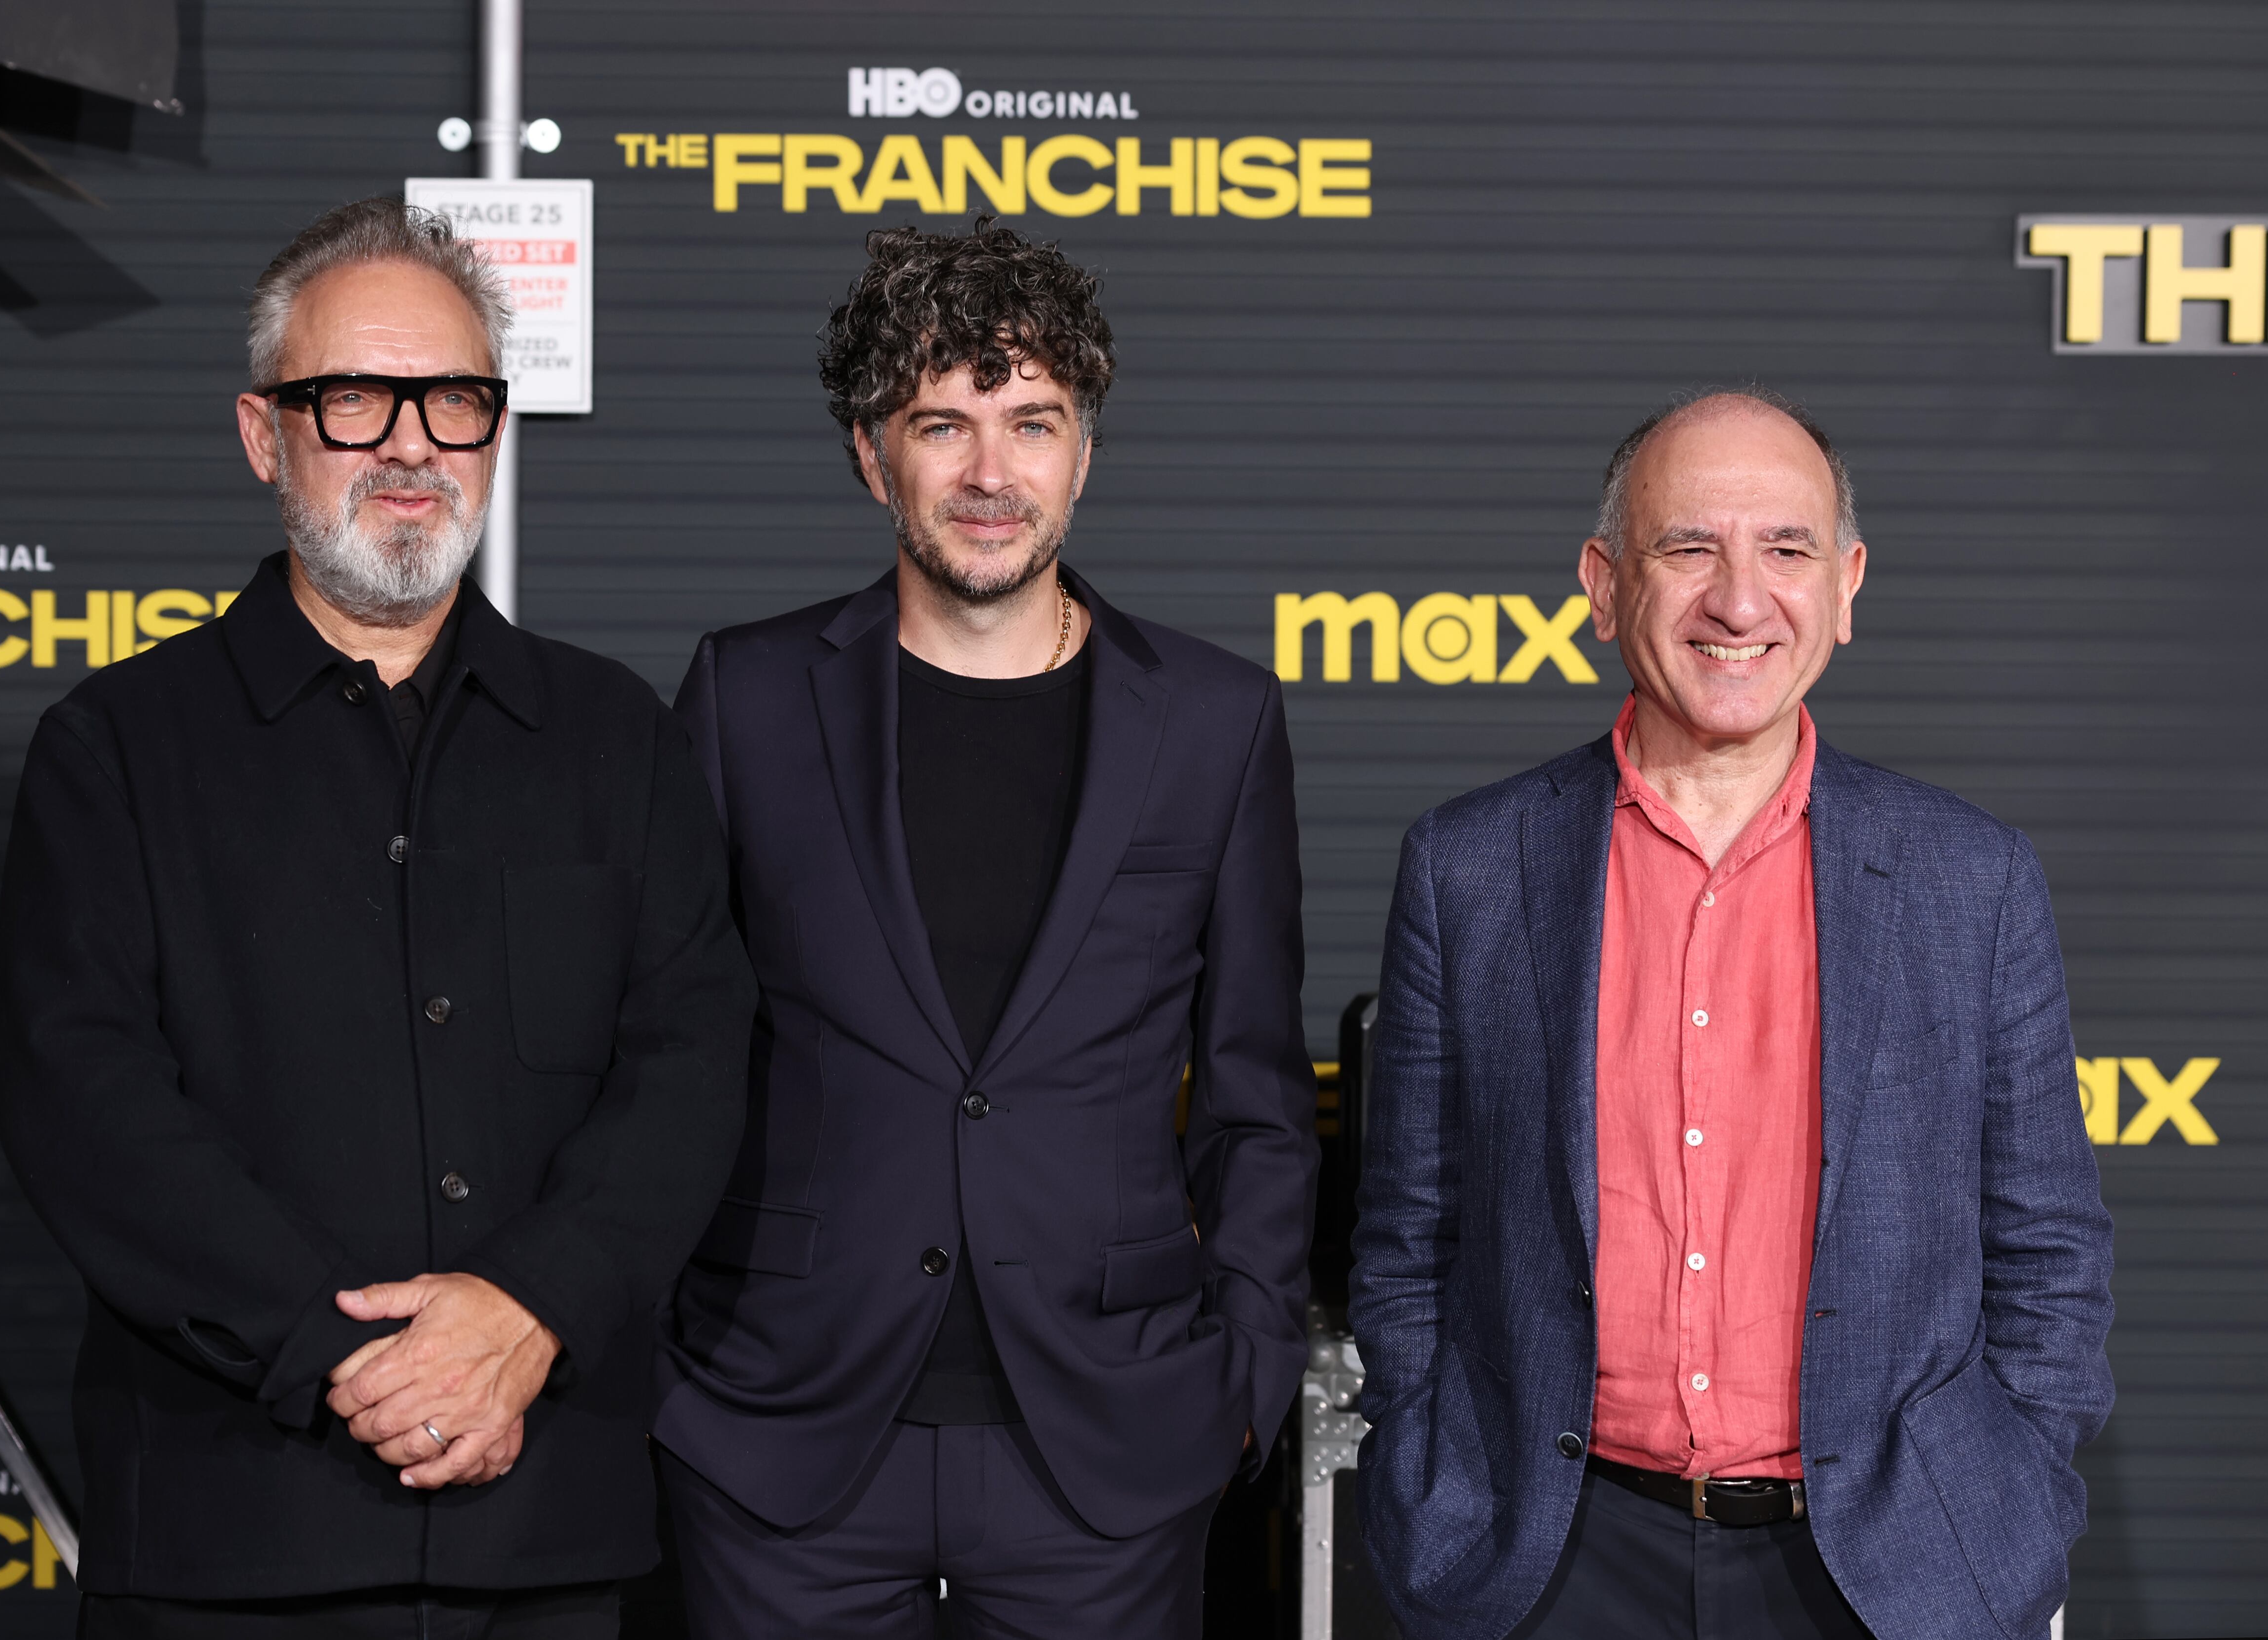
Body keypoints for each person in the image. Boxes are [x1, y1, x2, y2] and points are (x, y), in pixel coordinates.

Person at [0, 197, 755, 1638]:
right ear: (262, 433)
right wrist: (352, 1365)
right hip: (230, 1537)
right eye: (355, 400)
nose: (411, 444)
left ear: (495, 432)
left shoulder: (617, 738)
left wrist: (529, 1310)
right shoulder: (116, 746)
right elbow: (85, 1105)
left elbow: (692, 1063)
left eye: (454, 400)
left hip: (553, 1537)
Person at [1349, 389, 2114, 1640]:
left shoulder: (1971, 878)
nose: (1740, 600)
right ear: (1604, 585)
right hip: (1549, 1560)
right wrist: (1431, 1473)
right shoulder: (1471, 868)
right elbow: (1409, 1237)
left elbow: (2049, 1251)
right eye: (1689, 547)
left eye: (1788, 549)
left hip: (1890, 1571)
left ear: (1848, 585)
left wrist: (2006, 1490)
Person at [652, 220, 1320, 1639]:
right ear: (868, 451)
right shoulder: (746, 697)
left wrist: (1245, 1377)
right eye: (940, 424)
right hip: (786, 1436)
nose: (990, 473)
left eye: (1033, 422)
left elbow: (1258, 1093)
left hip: (1107, 1447)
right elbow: (656, 1050)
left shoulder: (1214, 720)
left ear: (1084, 450)